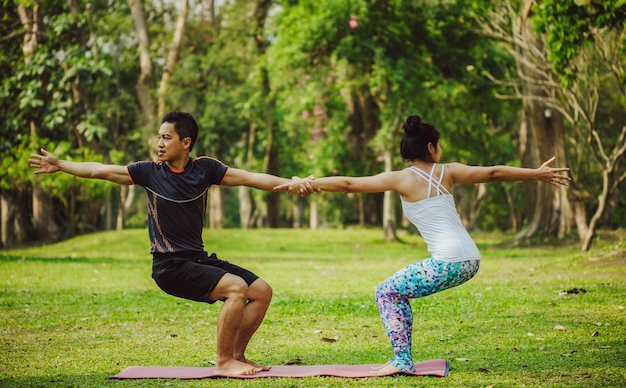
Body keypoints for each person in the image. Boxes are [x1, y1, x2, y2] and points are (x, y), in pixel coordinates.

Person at [275, 115, 571, 375]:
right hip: (469, 259)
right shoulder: (450, 171)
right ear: (431, 147)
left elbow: (351, 184)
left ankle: (402, 360)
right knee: (392, 292)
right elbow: (493, 173)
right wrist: (536, 173)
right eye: (438, 144)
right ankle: (402, 358)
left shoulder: (402, 178)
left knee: (387, 292)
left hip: (449, 260)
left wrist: (311, 183)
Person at [29, 111, 310, 376]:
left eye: (166, 137)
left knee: (261, 291)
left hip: (197, 259)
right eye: (159, 137)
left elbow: (251, 178)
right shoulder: (149, 172)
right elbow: (99, 170)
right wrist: (61, 165)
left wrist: (291, 182)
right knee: (236, 288)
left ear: (185, 142)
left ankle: (236, 356)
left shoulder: (205, 169)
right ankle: (223, 362)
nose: (159, 144)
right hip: (170, 265)